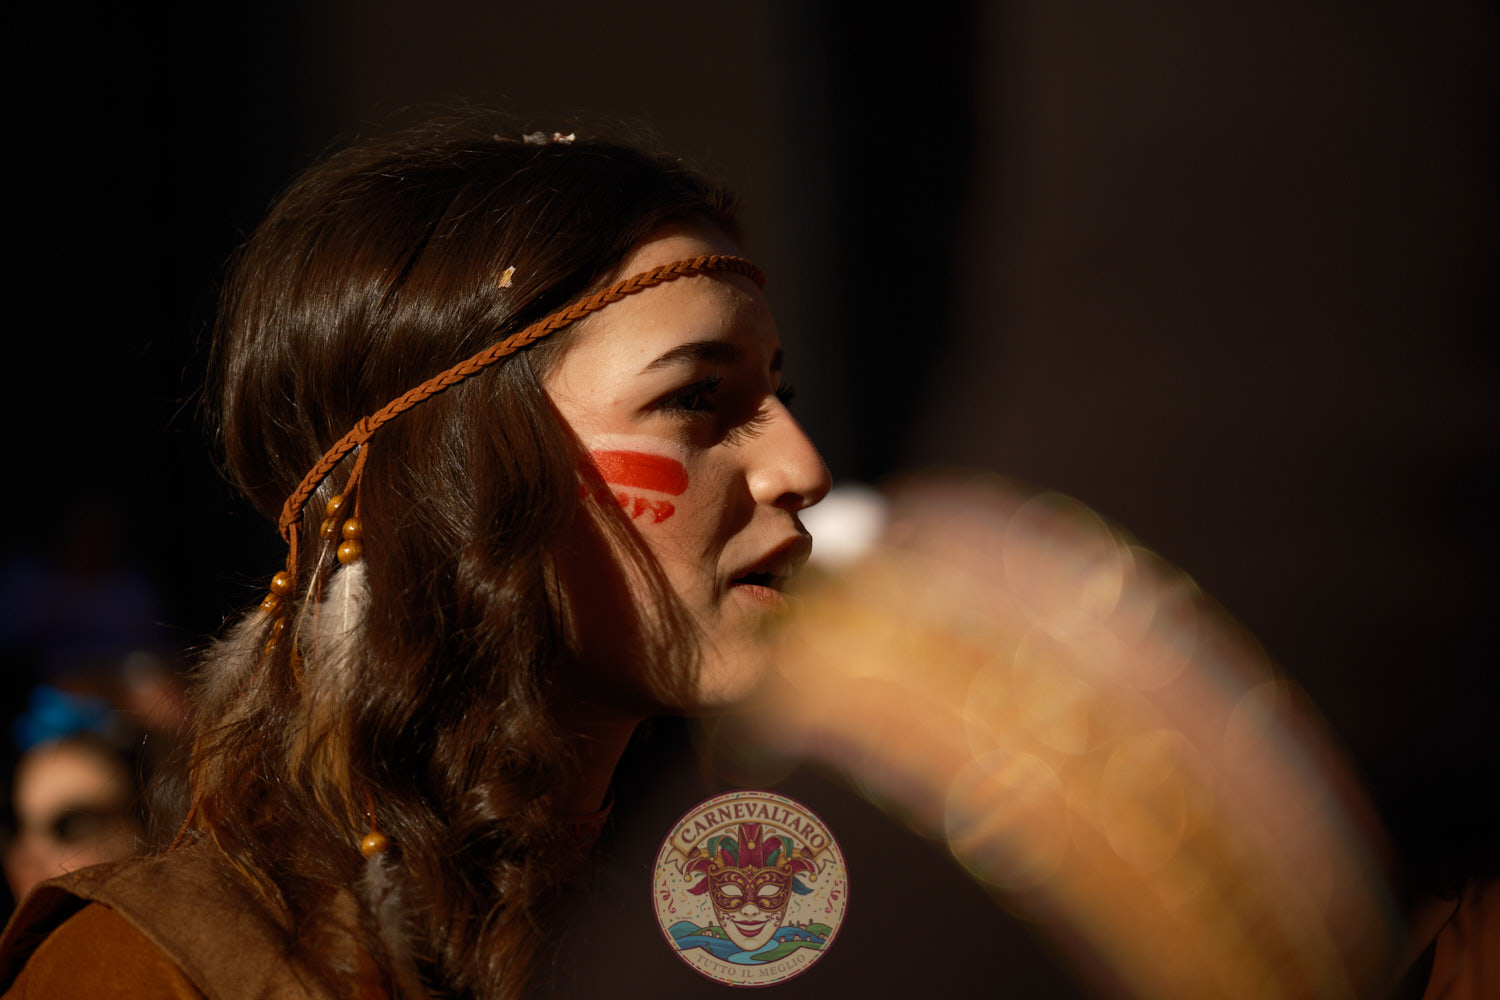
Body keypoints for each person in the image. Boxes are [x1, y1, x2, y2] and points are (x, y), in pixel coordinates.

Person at [0, 117, 829, 998]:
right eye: (695, 396)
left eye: (780, 393)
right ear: (453, 474)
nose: (801, 467)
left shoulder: (757, 927)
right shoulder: (155, 969)